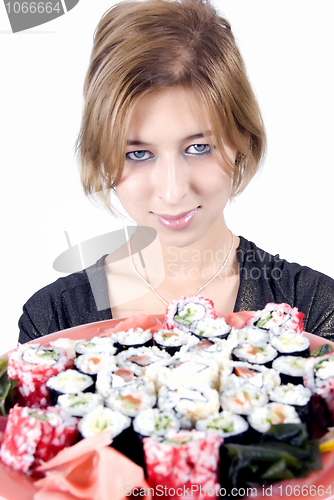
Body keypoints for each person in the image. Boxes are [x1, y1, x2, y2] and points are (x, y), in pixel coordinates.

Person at [18, 0, 334, 344]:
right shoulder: (53, 317)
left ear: (241, 139)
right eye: (138, 153)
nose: (173, 191)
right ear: (104, 155)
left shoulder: (316, 308)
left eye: (198, 148)